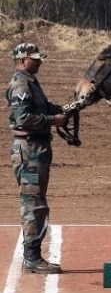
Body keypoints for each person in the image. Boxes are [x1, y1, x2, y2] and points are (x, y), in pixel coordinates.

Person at [6, 43, 68, 274]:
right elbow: (23, 119)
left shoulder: (30, 81)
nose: (40, 61)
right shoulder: (21, 83)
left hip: (36, 148)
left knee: (37, 201)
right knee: (33, 203)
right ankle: (32, 258)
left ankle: (33, 255)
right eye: (35, 59)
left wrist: (62, 110)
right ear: (22, 60)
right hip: (29, 149)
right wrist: (53, 120)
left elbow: (41, 107)